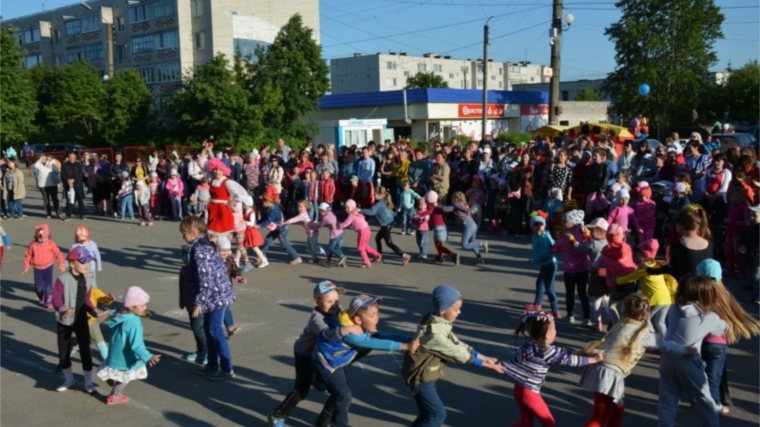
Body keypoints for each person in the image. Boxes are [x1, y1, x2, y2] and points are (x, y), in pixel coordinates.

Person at [579, 295, 695, 427]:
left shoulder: (620, 324)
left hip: (600, 368)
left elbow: (636, 345)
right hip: (610, 374)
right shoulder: (642, 332)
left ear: (624, 311)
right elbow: (665, 346)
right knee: (598, 419)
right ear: (647, 313)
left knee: (618, 407)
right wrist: (687, 350)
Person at [403, 285, 506, 427]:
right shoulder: (434, 335)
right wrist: (488, 366)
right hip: (419, 378)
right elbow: (457, 353)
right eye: (456, 309)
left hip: (424, 375)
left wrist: (482, 356)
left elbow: (454, 341)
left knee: (428, 414)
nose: (460, 312)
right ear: (443, 310)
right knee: (437, 415)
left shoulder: (436, 319)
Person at [311, 294, 418, 427]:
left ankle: (322, 422)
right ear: (358, 320)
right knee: (344, 396)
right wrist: (405, 346)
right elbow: (377, 343)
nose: (376, 318)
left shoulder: (354, 323)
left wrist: (409, 338)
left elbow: (382, 336)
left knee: (339, 395)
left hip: (334, 361)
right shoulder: (352, 334)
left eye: (377, 314)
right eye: (372, 316)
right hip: (326, 364)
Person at [267, 281, 360, 427]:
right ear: (316, 301)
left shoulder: (338, 310)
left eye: (336, 300)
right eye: (329, 301)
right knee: (301, 390)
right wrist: (347, 330)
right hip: (306, 353)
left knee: (338, 391)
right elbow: (327, 334)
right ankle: (277, 415)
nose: (334, 304)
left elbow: (348, 322)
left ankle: (318, 380)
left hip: (324, 357)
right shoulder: (317, 318)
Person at [501, 310, 604, 427]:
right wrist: (593, 360)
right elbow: (569, 360)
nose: (556, 332)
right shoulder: (545, 352)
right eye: (555, 329)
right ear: (547, 334)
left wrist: (580, 352)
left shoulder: (531, 343)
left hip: (519, 389)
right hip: (529, 393)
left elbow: (560, 352)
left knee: (526, 422)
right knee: (548, 422)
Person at [657, 275, 730, 426]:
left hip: (668, 358)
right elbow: (724, 328)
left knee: (668, 399)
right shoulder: (709, 316)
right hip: (689, 359)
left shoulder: (675, 309)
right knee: (705, 401)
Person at [695, 259, 760, 415]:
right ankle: (715, 403)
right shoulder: (724, 296)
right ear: (720, 277)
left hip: (698, 343)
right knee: (714, 378)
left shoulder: (696, 295)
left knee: (700, 376)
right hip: (718, 345)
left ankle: (707, 403)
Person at [181, 216, 236, 380]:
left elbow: (206, 279)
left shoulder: (200, 250)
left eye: (184, 233)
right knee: (208, 329)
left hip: (216, 295)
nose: (183, 236)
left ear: (193, 232)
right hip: (213, 294)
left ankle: (227, 369)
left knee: (214, 330)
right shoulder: (201, 245)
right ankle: (212, 365)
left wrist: (198, 302)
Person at [52, 247, 109, 392]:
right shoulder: (62, 279)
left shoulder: (89, 280)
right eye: (83, 262)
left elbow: (87, 301)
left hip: (82, 321)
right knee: (63, 352)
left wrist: (95, 313)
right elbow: (56, 298)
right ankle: (69, 380)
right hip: (65, 321)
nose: (87, 265)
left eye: (89, 262)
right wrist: (63, 309)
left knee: (85, 352)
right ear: (72, 263)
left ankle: (88, 383)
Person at [97, 286, 160, 404]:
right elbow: (136, 344)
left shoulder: (122, 314)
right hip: (125, 356)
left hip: (116, 352)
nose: (145, 307)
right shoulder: (133, 322)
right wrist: (148, 356)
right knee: (126, 376)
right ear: (131, 306)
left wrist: (109, 312)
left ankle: (111, 378)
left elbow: (117, 311)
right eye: (142, 305)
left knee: (117, 370)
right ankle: (114, 396)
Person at [616, 239, 676, 337]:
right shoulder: (657, 264)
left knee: (645, 319)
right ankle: (667, 342)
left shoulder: (644, 268)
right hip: (666, 298)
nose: (637, 257)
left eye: (638, 255)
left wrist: (617, 280)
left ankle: (652, 339)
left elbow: (631, 277)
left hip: (655, 299)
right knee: (660, 322)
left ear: (644, 255)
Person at [648, 206, 713, 281]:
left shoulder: (677, 245)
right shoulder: (709, 244)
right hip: (707, 288)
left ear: (679, 226)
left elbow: (674, 271)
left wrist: (647, 269)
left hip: (688, 288)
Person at [552, 210, 591, 326]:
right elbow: (591, 245)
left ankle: (570, 315)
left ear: (573, 223)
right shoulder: (584, 234)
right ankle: (586, 318)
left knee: (570, 293)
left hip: (569, 270)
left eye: (566, 221)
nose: (563, 223)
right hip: (583, 268)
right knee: (583, 293)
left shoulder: (565, 237)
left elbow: (555, 248)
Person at [573, 218, 610, 332]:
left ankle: (598, 322)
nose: (591, 233)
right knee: (606, 299)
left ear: (601, 231)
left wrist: (572, 240)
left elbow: (580, 248)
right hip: (607, 274)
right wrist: (586, 234)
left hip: (595, 274)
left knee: (596, 300)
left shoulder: (593, 243)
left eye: (593, 231)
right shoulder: (608, 242)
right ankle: (610, 320)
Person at [361, 186, 411, 265]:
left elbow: (371, 212)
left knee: (389, 243)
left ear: (381, 195)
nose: (374, 195)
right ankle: (379, 256)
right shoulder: (384, 202)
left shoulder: (380, 203)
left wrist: (360, 210)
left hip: (386, 226)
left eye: (376, 193)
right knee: (377, 238)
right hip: (387, 225)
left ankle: (404, 255)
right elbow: (393, 214)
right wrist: (399, 222)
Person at [22, 223, 66, 308]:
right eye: (41, 238)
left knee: (48, 286)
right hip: (37, 268)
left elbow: (58, 254)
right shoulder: (33, 245)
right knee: (38, 287)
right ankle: (41, 296)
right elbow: (28, 256)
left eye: (45, 238)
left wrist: (61, 264)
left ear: (48, 235)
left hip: (48, 266)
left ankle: (48, 301)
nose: (43, 240)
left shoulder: (51, 243)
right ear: (36, 236)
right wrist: (26, 267)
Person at [440, 192, 488, 265]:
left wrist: (437, 206)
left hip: (468, 225)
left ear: (456, 199)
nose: (452, 199)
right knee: (472, 243)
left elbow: (445, 209)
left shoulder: (456, 205)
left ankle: (482, 243)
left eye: (453, 198)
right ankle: (480, 258)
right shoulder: (464, 204)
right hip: (473, 224)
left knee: (464, 245)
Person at [206, 158, 249, 238]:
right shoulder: (211, 179)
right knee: (212, 234)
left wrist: (231, 203)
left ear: (224, 171)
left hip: (222, 210)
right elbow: (203, 165)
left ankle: (223, 249)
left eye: (219, 169)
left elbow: (239, 194)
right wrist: (206, 150)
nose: (217, 171)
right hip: (212, 209)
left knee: (220, 235)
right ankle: (217, 249)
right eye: (215, 169)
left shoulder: (227, 182)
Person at [527, 214, 560, 318]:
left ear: (544, 226)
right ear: (531, 226)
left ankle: (556, 310)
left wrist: (533, 261)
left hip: (549, 264)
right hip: (547, 264)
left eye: (541, 225)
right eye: (535, 225)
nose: (538, 227)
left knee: (549, 288)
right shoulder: (537, 235)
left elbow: (543, 254)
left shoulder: (542, 238)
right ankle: (537, 304)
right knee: (539, 282)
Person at [337, 199, 382, 268]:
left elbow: (346, 223)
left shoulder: (352, 215)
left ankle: (367, 262)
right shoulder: (357, 213)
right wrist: (343, 227)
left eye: (348, 207)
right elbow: (350, 223)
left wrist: (338, 226)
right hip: (367, 229)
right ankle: (377, 254)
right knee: (365, 246)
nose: (347, 209)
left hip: (362, 231)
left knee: (360, 248)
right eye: (346, 207)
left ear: (353, 207)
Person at [259, 193, 302, 265]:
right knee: (267, 240)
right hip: (276, 229)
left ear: (268, 201)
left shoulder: (274, 209)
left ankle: (297, 258)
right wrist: (256, 223)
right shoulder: (268, 208)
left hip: (281, 230)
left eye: (263, 201)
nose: (262, 202)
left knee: (285, 245)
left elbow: (268, 220)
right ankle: (261, 255)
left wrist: (259, 226)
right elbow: (264, 218)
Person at [216, 235, 244, 338]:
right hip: (215, 290)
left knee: (226, 307)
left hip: (226, 289)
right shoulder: (212, 260)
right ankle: (224, 328)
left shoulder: (229, 259)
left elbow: (234, 270)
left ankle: (230, 328)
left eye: (228, 250)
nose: (226, 253)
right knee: (219, 309)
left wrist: (238, 276)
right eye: (223, 250)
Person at [281, 199, 321, 264]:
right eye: (298, 206)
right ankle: (315, 258)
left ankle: (327, 252)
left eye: (301, 207)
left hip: (313, 232)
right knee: (309, 246)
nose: (299, 208)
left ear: (306, 207)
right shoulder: (305, 213)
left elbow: (295, 219)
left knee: (314, 247)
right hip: (311, 232)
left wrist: (286, 222)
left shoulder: (303, 215)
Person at [724, 187, 749, 278]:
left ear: (738, 196)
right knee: (728, 252)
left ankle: (742, 272)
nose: (730, 198)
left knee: (738, 253)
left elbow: (746, 222)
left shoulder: (743, 207)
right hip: (730, 232)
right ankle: (730, 269)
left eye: (732, 196)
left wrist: (733, 221)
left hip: (738, 234)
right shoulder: (731, 206)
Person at [739, 203, 760, 304]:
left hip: (757, 258)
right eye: (751, 215)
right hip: (750, 257)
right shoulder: (751, 226)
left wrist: (748, 248)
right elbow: (743, 236)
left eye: (755, 215)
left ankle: (759, 295)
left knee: (757, 277)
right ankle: (754, 293)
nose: (751, 217)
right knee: (751, 276)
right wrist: (742, 245)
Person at [241, 197, 267, 269]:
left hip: (251, 231)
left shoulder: (251, 212)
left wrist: (244, 222)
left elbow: (252, 223)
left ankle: (264, 260)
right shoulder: (245, 211)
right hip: (247, 231)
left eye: (244, 204)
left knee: (254, 247)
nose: (243, 205)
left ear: (248, 204)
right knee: (243, 246)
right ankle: (263, 260)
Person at [61, 152, 86, 220]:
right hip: (68, 185)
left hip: (78, 184)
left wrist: (73, 180)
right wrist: (67, 180)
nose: (72, 158)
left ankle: (82, 214)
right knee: (70, 201)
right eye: (70, 157)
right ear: (68, 158)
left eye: (73, 157)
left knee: (80, 200)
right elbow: (62, 174)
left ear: (75, 157)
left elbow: (80, 174)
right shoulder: (65, 165)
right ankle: (68, 215)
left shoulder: (79, 165)